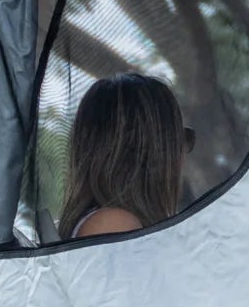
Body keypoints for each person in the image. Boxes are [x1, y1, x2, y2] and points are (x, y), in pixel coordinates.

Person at [59, 72, 190, 239]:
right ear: (153, 151)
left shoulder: (115, 222)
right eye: (180, 140)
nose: (183, 156)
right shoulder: (114, 224)